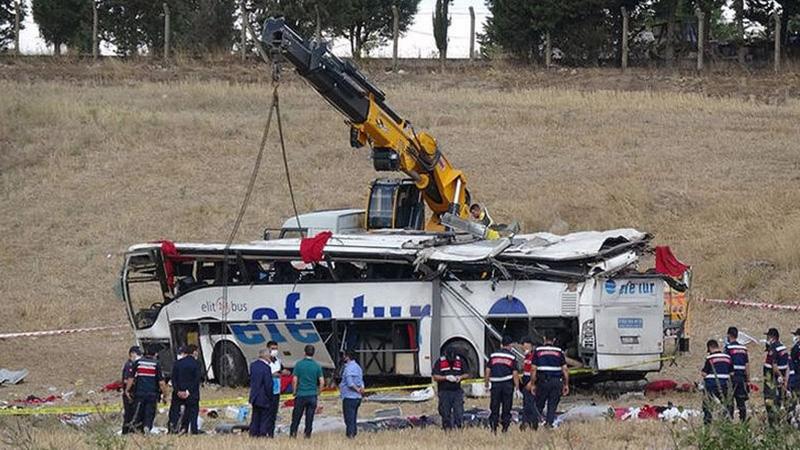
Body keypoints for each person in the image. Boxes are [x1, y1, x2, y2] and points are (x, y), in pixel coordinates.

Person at [530, 332, 569, 428]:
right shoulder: (559, 351)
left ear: (544, 338)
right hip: (556, 382)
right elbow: (565, 369)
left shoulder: (538, 351)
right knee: (552, 406)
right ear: (554, 340)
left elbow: (533, 369)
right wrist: (566, 384)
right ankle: (549, 424)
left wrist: (532, 384)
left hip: (543, 381)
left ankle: (534, 426)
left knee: (539, 405)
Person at [126, 348, 168, 434]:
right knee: (149, 412)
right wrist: (165, 395)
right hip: (152, 394)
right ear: (155, 355)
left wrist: (127, 390)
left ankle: (138, 429)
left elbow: (131, 378)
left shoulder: (137, 363)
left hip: (139, 393)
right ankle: (147, 427)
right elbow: (161, 383)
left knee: (138, 412)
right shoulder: (156, 364)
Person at [484, 335, 519, 434]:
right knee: (506, 407)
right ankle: (505, 429)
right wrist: (517, 388)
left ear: (501, 344)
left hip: (495, 385)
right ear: (510, 345)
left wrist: (486, 384)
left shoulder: (493, 355)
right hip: (507, 384)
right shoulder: (512, 357)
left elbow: (487, 370)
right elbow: (515, 373)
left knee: (494, 407)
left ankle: (493, 428)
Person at [290, 345, 324, 438]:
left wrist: (294, 391)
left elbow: (294, 380)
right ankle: (307, 435)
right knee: (309, 418)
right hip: (312, 395)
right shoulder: (317, 366)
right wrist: (319, 392)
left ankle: (293, 435)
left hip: (301, 394)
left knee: (296, 417)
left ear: (304, 352)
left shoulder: (299, 364)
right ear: (313, 353)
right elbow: (322, 381)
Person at [169, 345, 201, 434]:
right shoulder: (197, 364)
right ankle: (192, 430)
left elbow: (173, 379)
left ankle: (173, 428)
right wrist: (188, 391)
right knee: (193, 413)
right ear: (194, 352)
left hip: (178, 394)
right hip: (192, 394)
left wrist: (178, 391)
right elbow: (196, 380)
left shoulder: (177, 363)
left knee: (175, 412)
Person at [432, 347, 466, 431]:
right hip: (444, 391)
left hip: (456, 391)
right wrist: (446, 378)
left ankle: (459, 428)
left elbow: (467, 373)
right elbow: (435, 376)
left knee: (458, 412)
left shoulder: (459, 361)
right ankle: (447, 429)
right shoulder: (440, 361)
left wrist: (460, 377)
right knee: (445, 412)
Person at [702, 339, 734, 424]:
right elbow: (732, 373)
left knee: (708, 405)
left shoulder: (710, 358)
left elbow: (704, 373)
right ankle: (727, 422)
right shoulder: (727, 357)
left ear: (709, 348)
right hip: (725, 385)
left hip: (711, 385)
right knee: (727, 405)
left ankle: (707, 423)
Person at [763, 328, 790, 426]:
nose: (767, 339)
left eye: (768, 337)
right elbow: (787, 366)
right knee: (778, 401)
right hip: (780, 379)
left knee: (770, 402)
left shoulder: (773, 348)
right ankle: (777, 422)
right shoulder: (783, 348)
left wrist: (779, 375)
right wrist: (785, 379)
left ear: (772, 337)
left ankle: (773, 425)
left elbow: (774, 366)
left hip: (772, 379)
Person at [724, 326, 750, 421]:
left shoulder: (728, 348)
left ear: (728, 335)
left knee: (729, 402)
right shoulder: (743, 348)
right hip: (741, 378)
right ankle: (743, 422)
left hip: (731, 378)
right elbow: (747, 365)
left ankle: (729, 422)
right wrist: (748, 379)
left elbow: (725, 362)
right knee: (741, 402)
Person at [339, 349, 365, 438]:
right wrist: (361, 389)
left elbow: (350, 383)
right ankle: (354, 434)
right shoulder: (358, 367)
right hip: (357, 398)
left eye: (344, 355)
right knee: (353, 418)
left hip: (349, 397)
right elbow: (361, 381)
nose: (343, 357)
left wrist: (357, 389)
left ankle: (350, 436)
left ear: (347, 357)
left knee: (348, 419)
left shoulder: (348, 368)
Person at [249, 348, 273, 437]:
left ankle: (253, 434)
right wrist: (270, 396)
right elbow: (268, 384)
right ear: (266, 356)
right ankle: (262, 434)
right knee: (264, 418)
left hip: (254, 396)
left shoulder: (253, 365)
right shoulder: (266, 368)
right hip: (264, 397)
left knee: (255, 417)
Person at [121, 346, 142, 434]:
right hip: (129, 393)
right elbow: (126, 379)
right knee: (129, 415)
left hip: (134, 392)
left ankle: (133, 431)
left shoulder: (135, 365)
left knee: (135, 414)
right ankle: (126, 432)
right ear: (132, 354)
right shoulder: (129, 365)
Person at [265, 340, 284, 438]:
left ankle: (271, 433)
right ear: (268, 349)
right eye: (273, 349)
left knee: (273, 414)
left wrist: (283, 372)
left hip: (276, 391)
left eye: (276, 349)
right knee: (266, 414)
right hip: (267, 391)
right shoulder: (265, 362)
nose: (275, 351)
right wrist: (273, 375)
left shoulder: (278, 361)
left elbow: (281, 370)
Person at [520, 337, 538, 430]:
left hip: (531, 380)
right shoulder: (526, 356)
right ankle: (525, 421)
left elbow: (534, 370)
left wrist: (531, 382)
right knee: (526, 402)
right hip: (525, 378)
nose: (524, 347)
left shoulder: (534, 356)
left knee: (530, 402)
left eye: (526, 345)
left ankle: (533, 422)